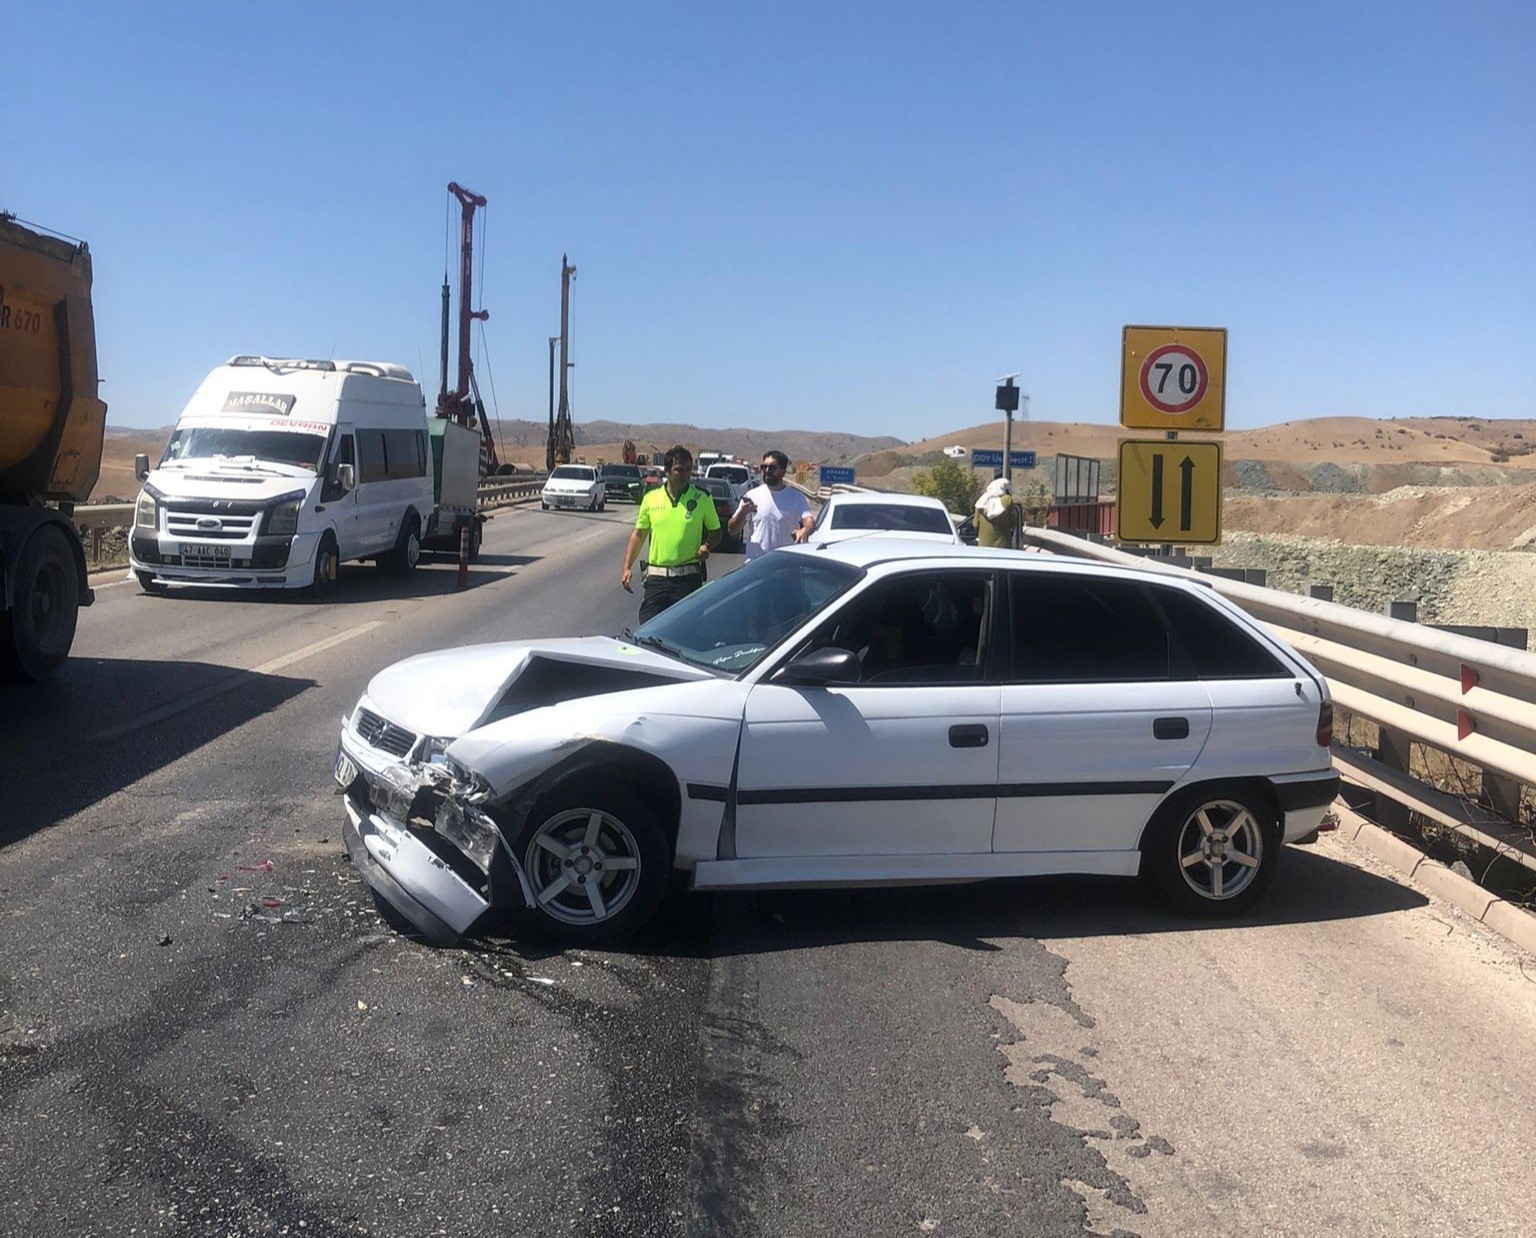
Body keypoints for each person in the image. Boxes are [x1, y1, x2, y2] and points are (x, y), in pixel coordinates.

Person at [621, 445, 722, 623]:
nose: (685, 474)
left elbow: (716, 531)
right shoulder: (651, 499)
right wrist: (627, 566)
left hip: (688, 579)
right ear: (667, 472)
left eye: (688, 469)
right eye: (679, 470)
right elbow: (639, 535)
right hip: (657, 579)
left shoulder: (702, 498)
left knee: (686, 629)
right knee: (647, 627)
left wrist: (706, 546)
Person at [727, 450, 814, 559]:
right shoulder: (751, 496)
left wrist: (805, 530)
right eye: (764, 467)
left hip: (786, 563)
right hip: (756, 563)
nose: (767, 471)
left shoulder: (796, 497)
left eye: (773, 467)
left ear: (783, 472)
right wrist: (742, 513)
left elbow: (809, 522)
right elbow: (732, 530)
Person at [974, 474, 1021, 549]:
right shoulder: (1007, 499)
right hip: (1003, 545)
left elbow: (975, 524)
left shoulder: (981, 501)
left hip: (983, 546)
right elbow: (1012, 523)